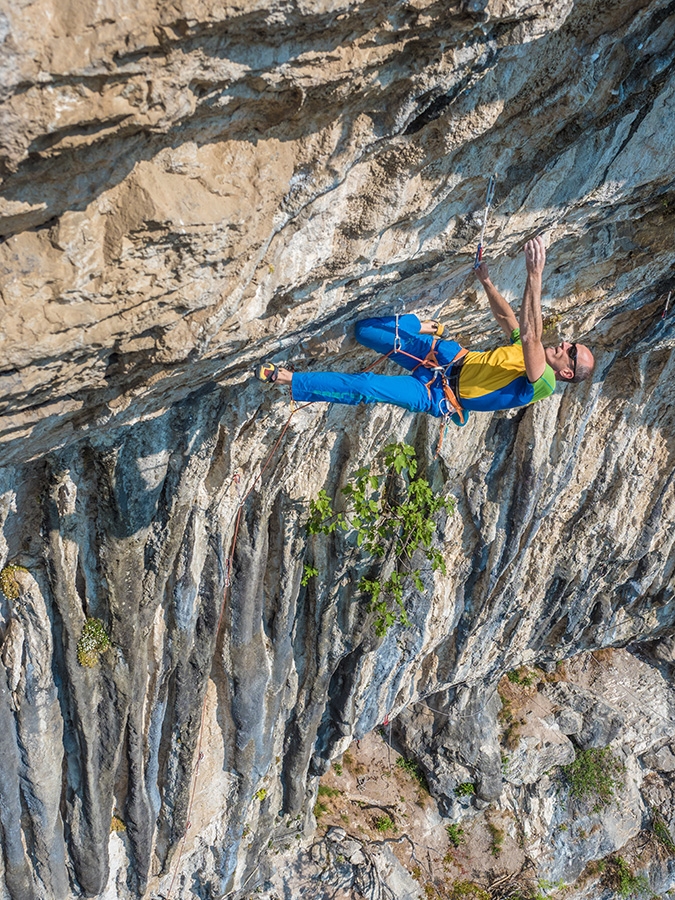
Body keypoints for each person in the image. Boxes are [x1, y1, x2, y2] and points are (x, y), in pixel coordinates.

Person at [255, 237, 594, 423]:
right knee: (364, 331)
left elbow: (532, 336)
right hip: (443, 358)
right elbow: (511, 323)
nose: (565, 344)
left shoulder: (544, 383)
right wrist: (486, 281)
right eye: (572, 343)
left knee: (367, 386)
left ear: (566, 373)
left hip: (437, 395)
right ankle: (422, 324)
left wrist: (534, 276)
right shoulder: (531, 352)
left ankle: (291, 379)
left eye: (572, 352)